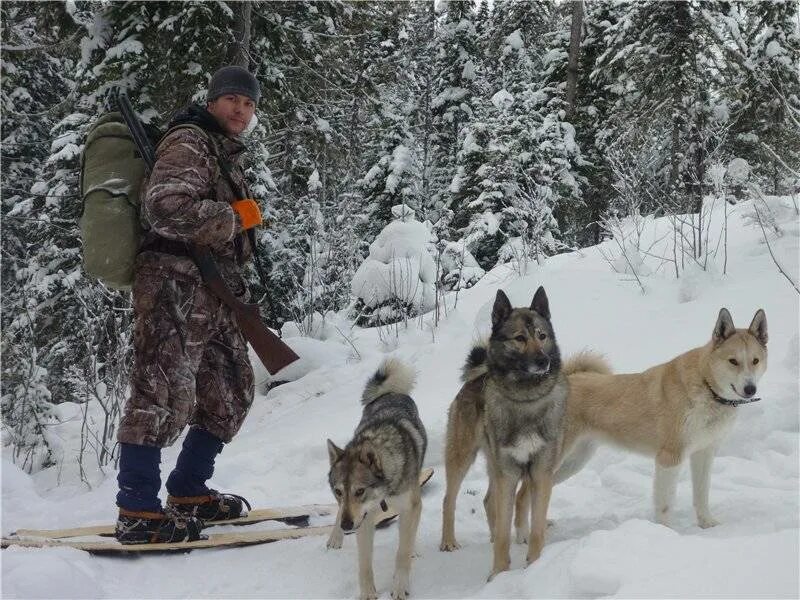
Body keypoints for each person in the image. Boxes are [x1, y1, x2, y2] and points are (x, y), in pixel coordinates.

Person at [114, 66, 264, 544]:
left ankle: (189, 491)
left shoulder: (221, 150)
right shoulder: (190, 140)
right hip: (173, 286)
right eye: (233, 99)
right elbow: (165, 207)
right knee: (159, 392)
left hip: (212, 292)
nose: (241, 109)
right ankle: (136, 509)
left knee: (232, 390)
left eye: (249, 103)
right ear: (214, 100)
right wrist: (234, 217)